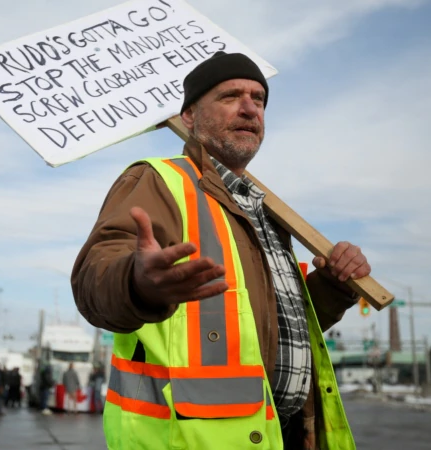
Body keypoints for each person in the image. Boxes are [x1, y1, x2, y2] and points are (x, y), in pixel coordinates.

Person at [72, 51, 372, 449]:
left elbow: (269, 328)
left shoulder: (266, 211)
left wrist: (333, 286)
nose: (250, 109)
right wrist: (136, 282)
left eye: (259, 99)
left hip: (282, 434)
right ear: (190, 117)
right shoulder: (158, 180)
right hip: (191, 438)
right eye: (230, 97)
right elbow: (96, 274)